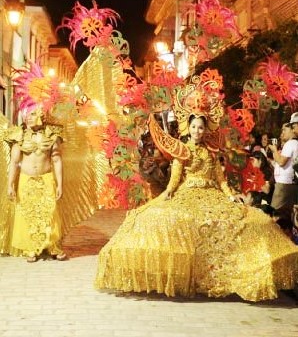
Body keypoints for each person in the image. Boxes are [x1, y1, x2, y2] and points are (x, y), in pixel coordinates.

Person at [95, 112, 298, 301]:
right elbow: (174, 182)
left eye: (200, 128)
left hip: (212, 195)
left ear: (205, 129)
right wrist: (166, 195)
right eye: (193, 127)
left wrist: (231, 196)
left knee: (250, 219)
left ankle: (235, 274)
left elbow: (221, 180)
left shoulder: (211, 153)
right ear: (188, 128)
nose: (197, 131)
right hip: (186, 194)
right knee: (170, 220)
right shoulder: (181, 152)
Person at [4, 108, 67, 262]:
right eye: (27, 115)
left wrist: (60, 184)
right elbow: (14, 162)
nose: (28, 118)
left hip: (46, 179)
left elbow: (57, 160)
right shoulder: (19, 135)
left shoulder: (52, 135)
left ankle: (53, 246)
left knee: (50, 213)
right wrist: (10, 184)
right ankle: (30, 248)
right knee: (28, 214)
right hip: (26, 181)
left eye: (32, 114)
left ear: (42, 115)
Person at [268, 122, 298, 229]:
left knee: (274, 214)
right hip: (291, 184)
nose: (282, 133)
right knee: (287, 217)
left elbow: (281, 162)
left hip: (284, 186)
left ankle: (274, 240)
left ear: (292, 131)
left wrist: (274, 150)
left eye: (284, 130)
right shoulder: (295, 144)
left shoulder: (290, 144)